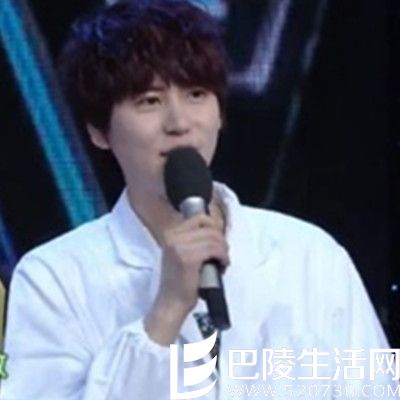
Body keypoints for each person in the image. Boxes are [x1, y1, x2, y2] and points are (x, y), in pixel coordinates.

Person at [1, 1, 397, 399]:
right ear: (99, 130)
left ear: (220, 112)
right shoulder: (53, 279)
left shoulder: (310, 256)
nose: (179, 123)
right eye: (149, 100)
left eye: (196, 94)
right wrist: (165, 312)